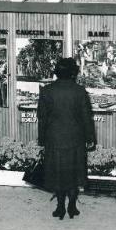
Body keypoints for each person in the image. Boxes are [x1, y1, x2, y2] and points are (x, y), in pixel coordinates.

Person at [37, 58, 96, 220]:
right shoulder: (79, 91)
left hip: (54, 139)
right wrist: (90, 137)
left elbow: (42, 118)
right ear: (72, 72)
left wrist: (41, 139)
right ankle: (72, 206)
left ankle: (60, 206)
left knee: (58, 173)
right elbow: (86, 118)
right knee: (73, 172)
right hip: (75, 139)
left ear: (57, 71)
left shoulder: (47, 90)